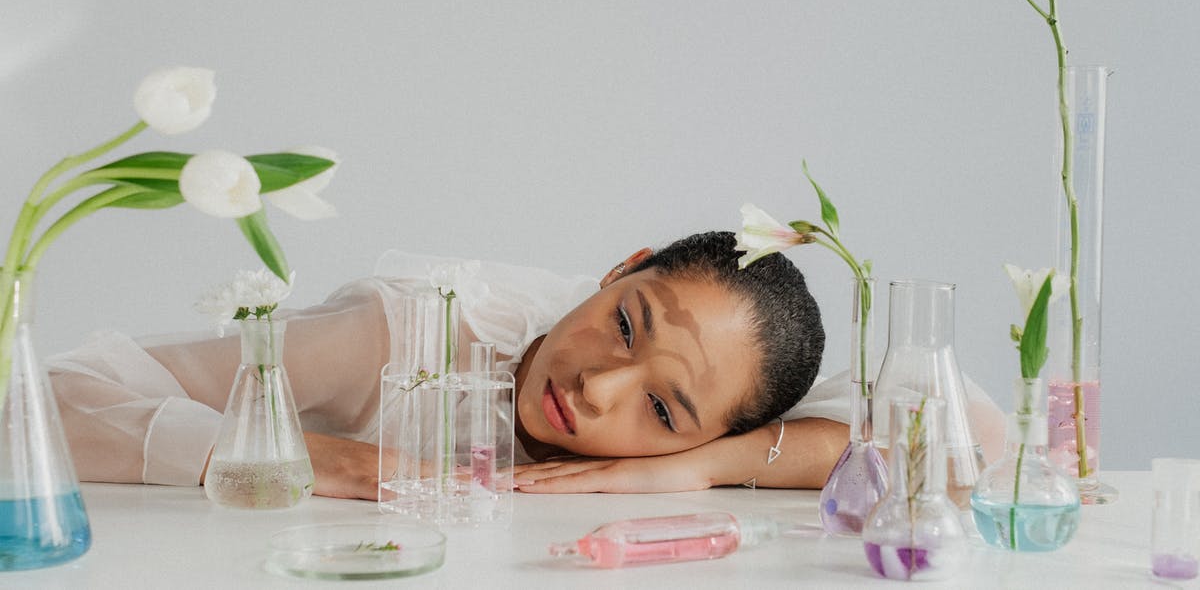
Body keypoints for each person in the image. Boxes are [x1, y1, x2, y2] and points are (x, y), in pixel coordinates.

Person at [48, 231, 1001, 500]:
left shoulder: (707, 443)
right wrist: (332, 460)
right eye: (627, 322)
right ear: (620, 267)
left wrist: (699, 467)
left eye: (665, 410)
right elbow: (48, 398)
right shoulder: (408, 331)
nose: (598, 385)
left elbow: (972, 445)